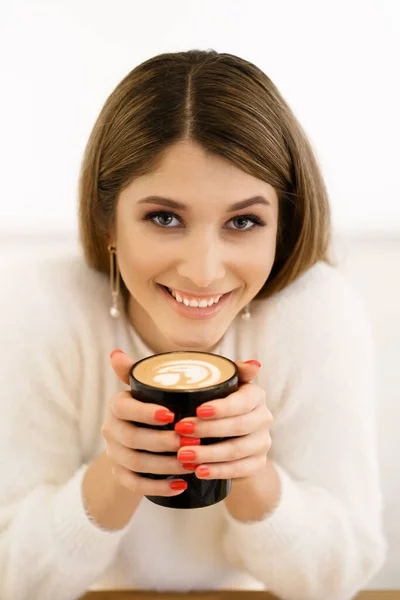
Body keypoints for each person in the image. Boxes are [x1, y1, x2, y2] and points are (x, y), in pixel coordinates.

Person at [0, 49, 386, 600]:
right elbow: (13, 579)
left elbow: (337, 578)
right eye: (164, 218)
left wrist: (249, 470)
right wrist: (118, 473)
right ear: (109, 221)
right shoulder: (38, 308)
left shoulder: (316, 313)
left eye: (244, 221)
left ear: (283, 224)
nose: (204, 271)